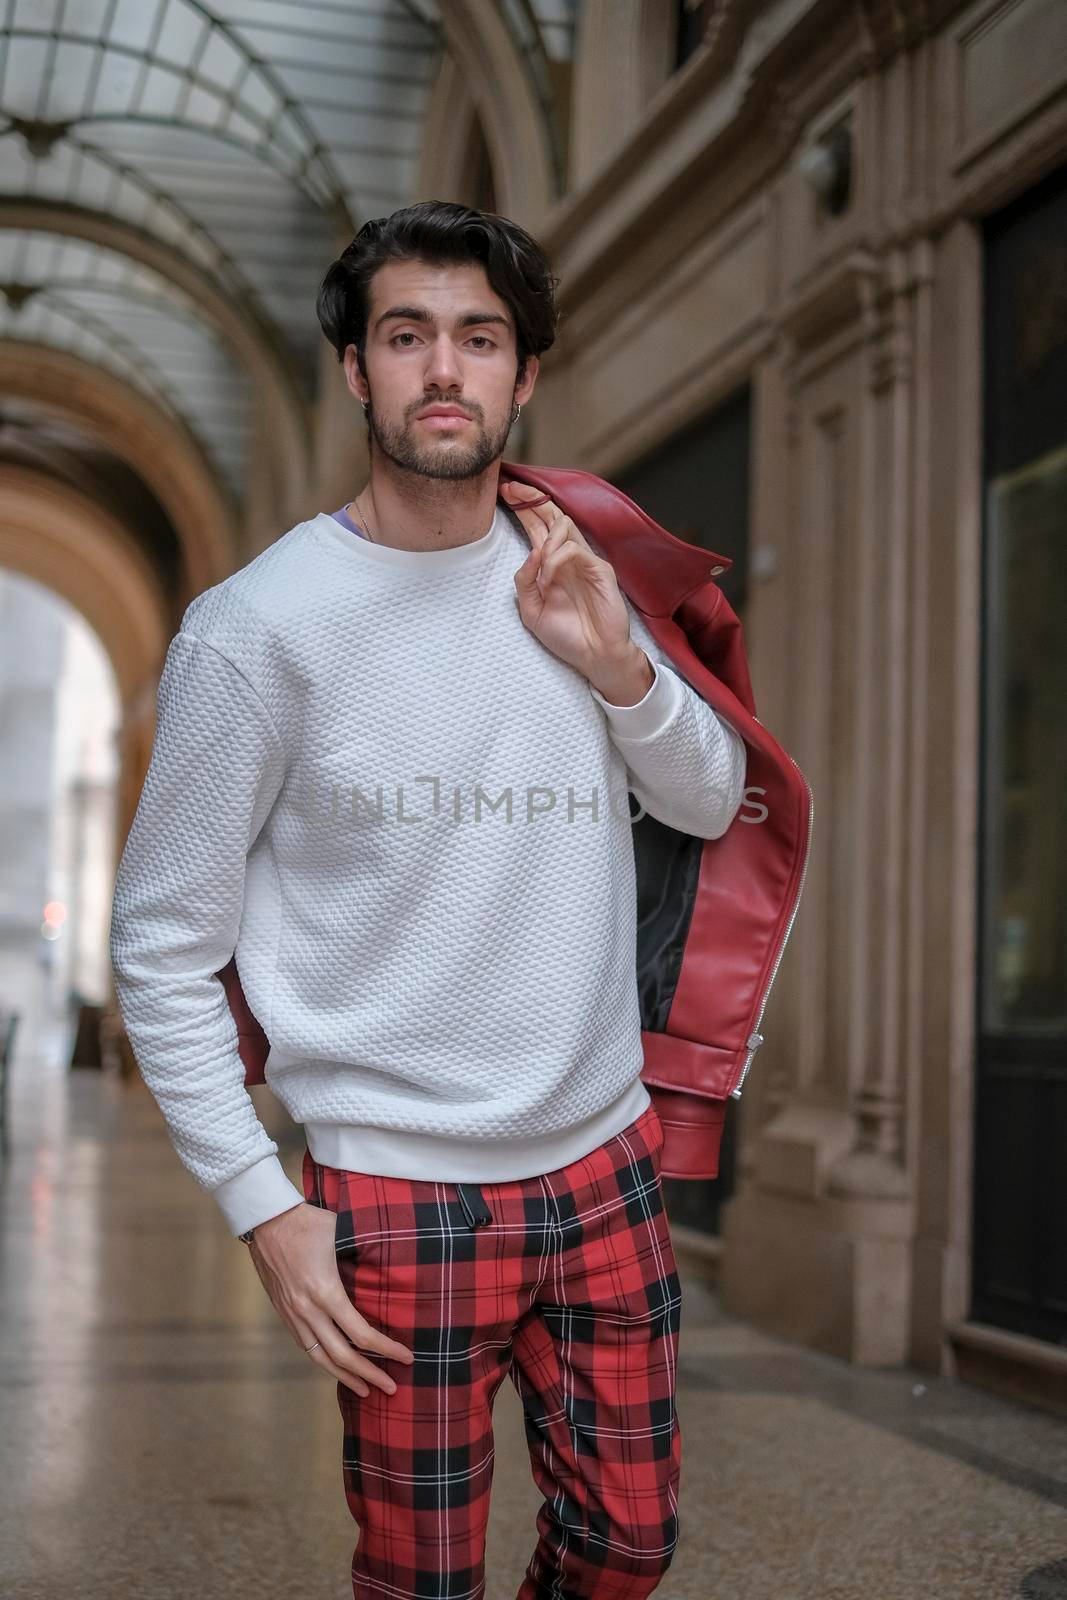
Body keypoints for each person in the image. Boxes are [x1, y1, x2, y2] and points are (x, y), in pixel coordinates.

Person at [109, 199, 747, 1599]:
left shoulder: (576, 572)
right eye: (408, 337)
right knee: (422, 1580)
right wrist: (261, 1207)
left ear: (524, 375)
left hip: (602, 1160)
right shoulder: (256, 630)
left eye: (479, 338)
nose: (443, 370)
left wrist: (619, 668)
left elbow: (707, 800)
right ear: (358, 370)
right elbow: (159, 949)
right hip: (395, 1194)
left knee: (629, 1544)